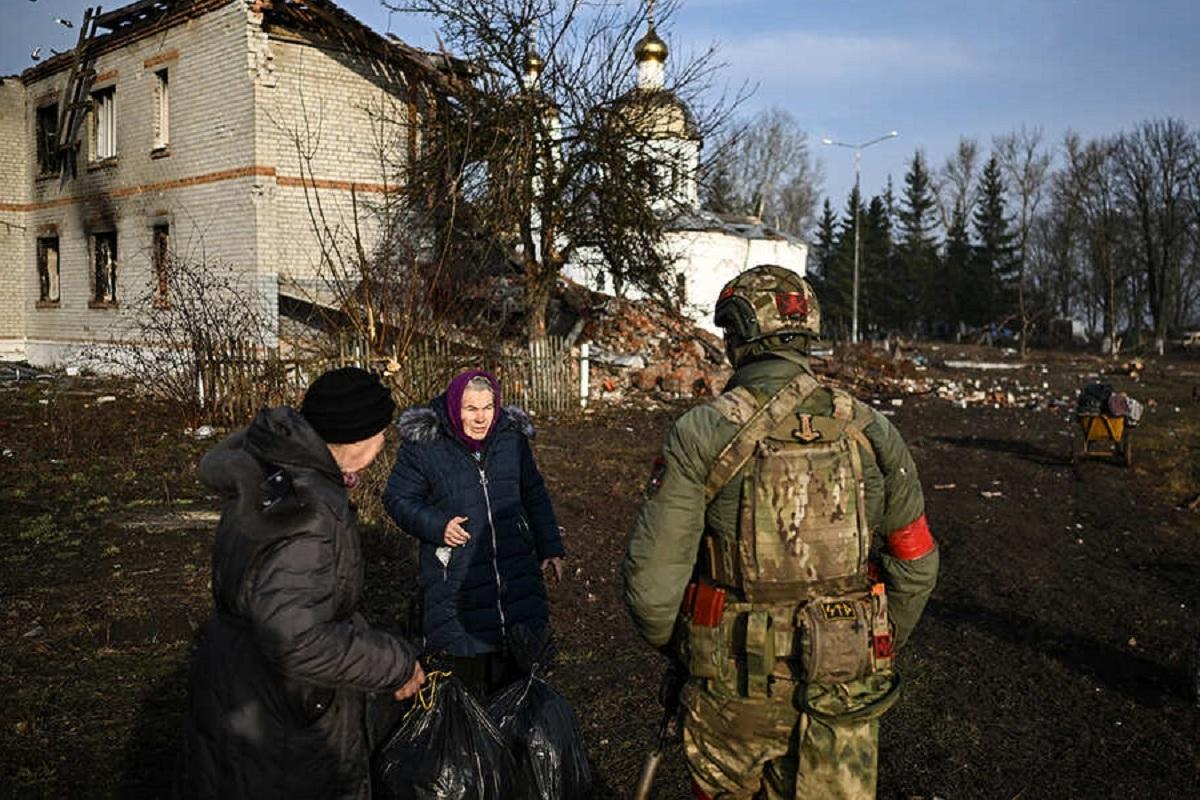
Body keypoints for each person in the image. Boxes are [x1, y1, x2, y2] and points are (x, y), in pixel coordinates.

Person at [623, 266, 940, 800]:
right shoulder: (872, 430)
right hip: (844, 688)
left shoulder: (701, 432)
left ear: (737, 337)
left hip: (732, 691)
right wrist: (861, 645)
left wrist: (696, 650)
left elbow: (652, 591)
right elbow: (917, 560)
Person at [178, 367, 426, 800]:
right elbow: (298, 639)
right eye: (381, 432)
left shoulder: (276, 475)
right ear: (359, 439)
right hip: (282, 717)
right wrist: (395, 663)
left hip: (244, 690)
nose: (386, 442)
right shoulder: (309, 513)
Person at [383, 370, 565, 697]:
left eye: (488, 407)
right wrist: (438, 525)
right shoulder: (426, 446)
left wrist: (550, 546)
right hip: (456, 576)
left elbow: (533, 492)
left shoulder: (511, 439)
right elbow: (397, 498)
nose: (481, 418)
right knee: (464, 685)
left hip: (515, 572)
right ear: (455, 408)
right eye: (471, 409)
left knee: (517, 683)